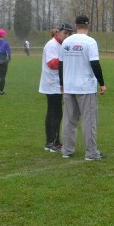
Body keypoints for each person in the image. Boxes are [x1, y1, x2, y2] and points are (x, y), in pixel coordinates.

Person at [59, 15, 107, 161]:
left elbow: (61, 65)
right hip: (85, 87)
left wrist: (62, 84)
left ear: (75, 25)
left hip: (69, 86)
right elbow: (95, 64)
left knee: (69, 120)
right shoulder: (90, 42)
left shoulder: (66, 41)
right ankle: (91, 153)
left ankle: (66, 150)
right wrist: (102, 83)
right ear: (88, 26)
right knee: (89, 121)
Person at [39, 23, 73, 152]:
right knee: (55, 113)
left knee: (55, 112)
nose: (67, 36)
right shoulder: (52, 45)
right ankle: (52, 142)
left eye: (69, 34)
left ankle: (53, 141)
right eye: (65, 33)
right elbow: (52, 64)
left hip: (57, 83)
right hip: (52, 84)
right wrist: (67, 60)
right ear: (58, 32)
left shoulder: (62, 45)